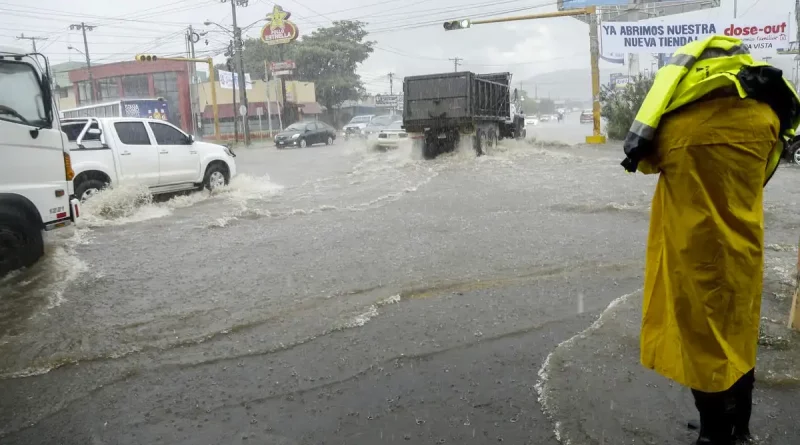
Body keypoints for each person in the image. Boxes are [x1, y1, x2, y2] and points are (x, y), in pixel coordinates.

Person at [621, 36, 800, 445]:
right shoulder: (766, 119)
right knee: (738, 332)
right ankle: (741, 429)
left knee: (703, 344)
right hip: (744, 249)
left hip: (694, 253)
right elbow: (767, 170)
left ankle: (713, 434)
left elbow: (645, 164)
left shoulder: (675, 126)